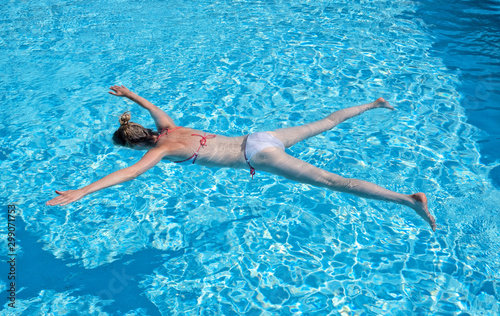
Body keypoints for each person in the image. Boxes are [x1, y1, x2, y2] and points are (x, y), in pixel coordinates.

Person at [46, 85, 437, 231]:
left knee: (333, 182)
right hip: (259, 135)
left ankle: (407, 200)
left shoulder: (162, 150)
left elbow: (129, 174)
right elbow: (152, 107)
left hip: (260, 154)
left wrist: (83, 190)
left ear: (136, 144)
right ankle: (374, 104)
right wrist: (131, 96)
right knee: (326, 122)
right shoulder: (167, 129)